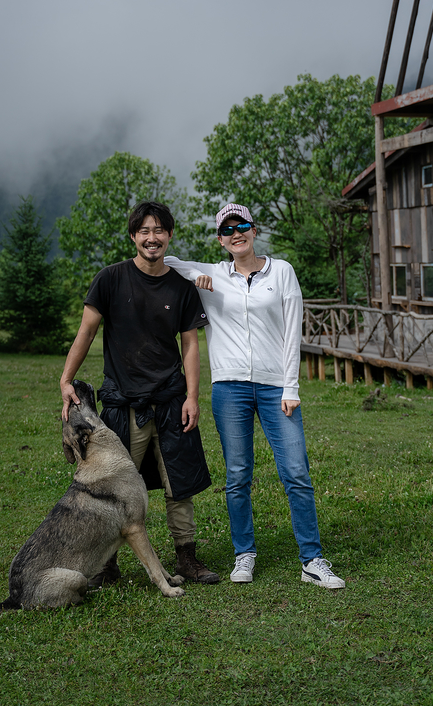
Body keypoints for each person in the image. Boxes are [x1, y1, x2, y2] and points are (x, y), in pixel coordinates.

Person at [165, 202, 344, 589]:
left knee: (296, 471)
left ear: (253, 229)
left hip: (276, 387)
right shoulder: (214, 274)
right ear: (220, 239)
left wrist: (291, 387)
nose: (236, 234)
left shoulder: (281, 271)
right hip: (229, 388)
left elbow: (292, 332)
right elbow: (171, 259)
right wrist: (196, 274)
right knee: (238, 475)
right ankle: (244, 554)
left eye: (241, 225)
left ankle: (312, 559)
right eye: (228, 230)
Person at [60, 200, 219, 585]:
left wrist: (193, 397)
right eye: (144, 231)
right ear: (134, 236)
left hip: (170, 402)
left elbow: (191, 346)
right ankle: (107, 565)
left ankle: (187, 558)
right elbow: (87, 332)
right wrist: (66, 379)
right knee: (111, 485)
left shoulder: (181, 288)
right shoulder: (110, 280)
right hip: (122, 404)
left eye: (159, 230)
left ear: (168, 235)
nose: (152, 238)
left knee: (178, 483)